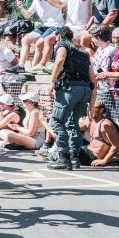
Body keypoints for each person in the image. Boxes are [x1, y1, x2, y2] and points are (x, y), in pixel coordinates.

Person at [46, 26, 97, 170]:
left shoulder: (62, 44)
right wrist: (92, 103)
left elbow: (60, 59)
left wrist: (52, 81)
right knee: (73, 123)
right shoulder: (83, 52)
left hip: (69, 89)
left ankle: (64, 157)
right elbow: (93, 79)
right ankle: (75, 158)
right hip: (84, 90)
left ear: (59, 37)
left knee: (57, 121)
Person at [14, 0, 65, 73]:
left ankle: (36, 68)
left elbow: (61, 5)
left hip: (56, 25)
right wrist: (21, 7)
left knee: (38, 44)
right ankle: (21, 66)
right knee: (25, 39)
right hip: (46, 25)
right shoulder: (36, 0)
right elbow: (28, 15)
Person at [77, 102, 119, 167]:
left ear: (101, 110)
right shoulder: (91, 120)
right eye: (89, 107)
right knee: (69, 141)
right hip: (86, 149)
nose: (89, 109)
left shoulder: (106, 125)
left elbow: (116, 145)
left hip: (93, 157)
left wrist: (104, 161)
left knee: (70, 152)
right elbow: (75, 128)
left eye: (92, 108)